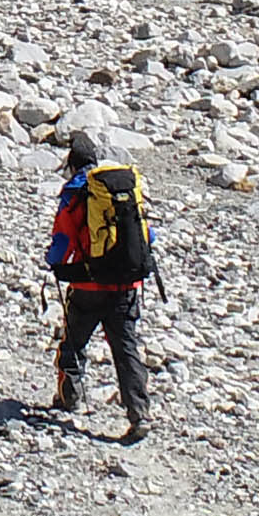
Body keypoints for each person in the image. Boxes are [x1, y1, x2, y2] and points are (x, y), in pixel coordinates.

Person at [43, 140, 153, 441]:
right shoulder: (121, 192)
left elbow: (62, 244)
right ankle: (139, 413)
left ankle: (70, 397)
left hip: (88, 286)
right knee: (126, 348)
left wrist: (52, 261)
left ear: (72, 165)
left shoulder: (76, 194)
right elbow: (148, 236)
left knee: (74, 343)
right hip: (126, 286)